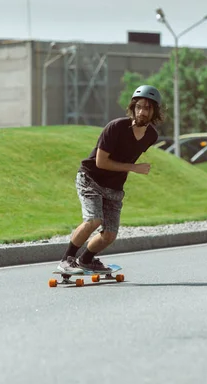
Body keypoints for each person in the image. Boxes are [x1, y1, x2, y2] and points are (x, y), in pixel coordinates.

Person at [57, 85, 166, 274]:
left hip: (114, 186)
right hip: (91, 178)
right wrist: (134, 168)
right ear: (133, 107)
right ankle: (66, 260)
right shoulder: (116, 127)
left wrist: (129, 168)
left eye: (147, 108)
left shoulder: (151, 135)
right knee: (94, 220)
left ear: (154, 111)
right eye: (139, 106)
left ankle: (86, 260)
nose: (142, 111)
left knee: (109, 235)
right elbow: (101, 162)